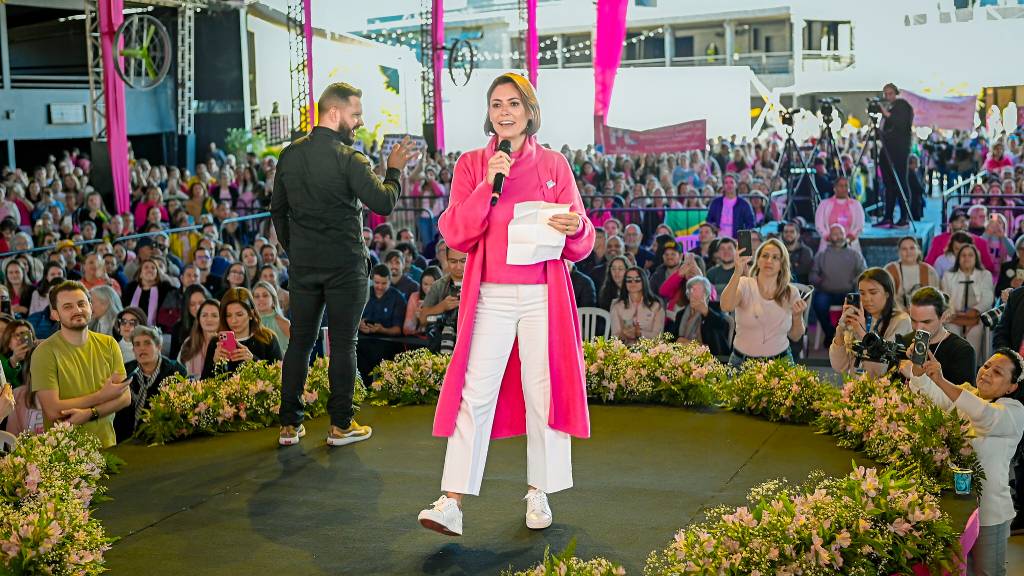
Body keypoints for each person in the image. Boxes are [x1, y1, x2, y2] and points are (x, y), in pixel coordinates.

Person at [417, 73, 594, 537]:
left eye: (513, 103)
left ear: (529, 111)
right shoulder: (474, 164)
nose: (504, 111)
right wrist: (488, 184)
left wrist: (574, 226)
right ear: (489, 113)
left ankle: (540, 492)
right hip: (490, 295)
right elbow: (456, 232)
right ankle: (451, 502)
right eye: (496, 104)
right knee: (474, 394)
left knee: (543, 392)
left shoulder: (555, 165)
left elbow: (583, 239)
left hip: (542, 294)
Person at [271, 82, 418, 448]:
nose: (359, 123)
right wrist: (395, 170)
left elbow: (277, 211)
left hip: (304, 268)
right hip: (345, 267)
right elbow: (383, 203)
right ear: (333, 114)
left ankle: (289, 425)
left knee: (300, 343)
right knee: (343, 343)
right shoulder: (350, 159)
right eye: (355, 116)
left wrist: (296, 250)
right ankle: (340, 426)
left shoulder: (289, 155)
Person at [898, 350, 1023, 576]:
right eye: (986, 366)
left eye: (997, 372)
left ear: (1011, 387)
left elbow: (983, 415)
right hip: (954, 509)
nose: (986, 373)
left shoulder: (1013, 412)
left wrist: (941, 380)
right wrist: (919, 369)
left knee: (987, 573)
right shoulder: (966, 392)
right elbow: (932, 396)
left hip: (988, 515)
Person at [30, 281, 131, 448]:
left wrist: (90, 413)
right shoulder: (44, 353)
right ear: (55, 314)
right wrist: (101, 396)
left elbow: (124, 397)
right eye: (68, 307)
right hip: (65, 456)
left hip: (108, 445)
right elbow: (53, 410)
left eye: (81, 304)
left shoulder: (109, 344)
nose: (77, 310)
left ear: (90, 306)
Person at [720, 238, 808, 366]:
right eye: (765, 256)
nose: (769, 261)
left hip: (781, 361)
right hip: (742, 362)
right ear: (758, 260)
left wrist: (797, 316)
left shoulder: (791, 292)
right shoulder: (745, 284)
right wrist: (737, 271)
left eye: (775, 257)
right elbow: (725, 306)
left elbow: (795, 336)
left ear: (782, 264)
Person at [829, 268, 912, 376]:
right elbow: (839, 367)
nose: (867, 298)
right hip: (855, 388)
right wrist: (840, 330)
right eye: (862, 293)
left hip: (886, 389)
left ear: (887, 293)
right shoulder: (857, 317)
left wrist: (862, 333)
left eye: (873, 292)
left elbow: (881, 370)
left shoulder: (901, 321)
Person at [114, 325, 186, 442]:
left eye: (147, 343)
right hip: (127, 437)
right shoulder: (126, 372)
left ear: (158, 347)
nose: (142, 348)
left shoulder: (175, 371)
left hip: (162, 437)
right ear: (133, 350)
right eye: (137, 344)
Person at [201, 287, 282, 379]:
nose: (234, 320)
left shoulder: (267, 338)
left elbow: (279, 378)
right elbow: (203, 383)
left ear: (251, 314)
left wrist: (253, 361)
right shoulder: (216, 342)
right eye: (228, 315)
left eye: (239, 314)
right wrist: (215, 362)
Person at [811, 224, 867, 346]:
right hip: (827, 291)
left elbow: (863, 272)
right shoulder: (821, 255)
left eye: (840, 233)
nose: (837, 236)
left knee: (857, 304)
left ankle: (851, 337)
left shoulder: (854, 254)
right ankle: (830, 333)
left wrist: (853, 281)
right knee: (818, 303)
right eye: (834, 234)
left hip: (848, 291)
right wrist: (819, 280)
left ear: (844, 235)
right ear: (829, 237)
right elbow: (813, 274)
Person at [908, 287, 976, 386]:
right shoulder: (905, 341)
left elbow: (963, 398)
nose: (918, 328)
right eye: (913, 320)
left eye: (926, 322)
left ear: (943, 317)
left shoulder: (962, 351)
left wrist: (915, 375)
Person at [942, 244, 994, 360]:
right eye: (963, 255)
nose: (966, 258)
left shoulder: (985, 275)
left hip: (976, 316)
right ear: (958, 258)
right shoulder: (948, 275)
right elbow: (945, 297)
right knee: (952, 334)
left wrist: (976, 310)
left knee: (975, 335)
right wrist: (952, 312)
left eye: (970, 255)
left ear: (976, 258)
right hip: (954, 316)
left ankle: (972, 368)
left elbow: (988, 297)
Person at [877, 83, 914, 228]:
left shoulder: (903, 106)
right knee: (888, 184)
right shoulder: (890, 108)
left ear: (896, 93)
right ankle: (888, 216)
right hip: (887, 149)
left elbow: (901, 123)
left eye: (890, 93)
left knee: (900, 181)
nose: (887, 97)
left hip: (898, 150)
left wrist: (885, 114)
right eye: (885, 94)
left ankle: (904, 216)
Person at [670, 275, 730, 356]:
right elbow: (674, 339)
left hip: (709, 356)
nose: (691, 292)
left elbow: (723, 326)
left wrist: (706, 311)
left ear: (705, 293)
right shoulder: (681, 314)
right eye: (690, 289)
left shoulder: (715, 308)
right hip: (683, 355)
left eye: (695, 289)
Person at [610, 267, 665, 344]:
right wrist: (623, 334)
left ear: (644, 281)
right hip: (625, 350)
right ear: (625, 283)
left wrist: (639, 333)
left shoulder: (656, 305)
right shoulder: (617, 306)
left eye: (637, 280)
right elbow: (614, 336)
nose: (633, 283)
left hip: (649, 350)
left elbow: (658, 336)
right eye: (629, 280)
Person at [885, 237, 940, 309]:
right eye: (904, 249)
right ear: (899, 252)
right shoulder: (890, 270)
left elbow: (935, 297)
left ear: (918, 250)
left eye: (912, 248)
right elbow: (887, 297)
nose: (908, 252)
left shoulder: (929, 271)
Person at [814, 176, 864, 253]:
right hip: (828, 245)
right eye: (841, 186)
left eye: (846, 186)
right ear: (834, 188)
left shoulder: (856, 205)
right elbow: (819, 225)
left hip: (850, 245)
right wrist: (829, 238)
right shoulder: (824, 204)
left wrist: (848, 239)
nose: (844, 188)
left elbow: (859, 225)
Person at [178, 299, 220, 380]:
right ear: (199, 319)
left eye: (214, 315)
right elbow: (178, 372)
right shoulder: (189, 342)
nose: (209, 319)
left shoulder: (227, 343)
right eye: (204, 315)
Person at [705, 174, 754, 240]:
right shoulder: (715, 203)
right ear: (723, 186)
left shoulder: (744, 204)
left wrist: (742, 237)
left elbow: (750, 223)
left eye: (731, 182)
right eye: (726, 183)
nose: (729, 185)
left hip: (737, 240)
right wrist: (714, 227)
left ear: (736, 185)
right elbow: (709, 220)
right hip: (718, 239)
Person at [403, 266, 443, 336]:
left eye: (432, 285)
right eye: (425, 284)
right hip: (418, 341)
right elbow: (406, 330)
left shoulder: (445, 298)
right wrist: (415, 317)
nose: (428, 288)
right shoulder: (415, 297)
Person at [253, 281, 290, 354]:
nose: (261, 299)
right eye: (257, 296)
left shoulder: (284, 323)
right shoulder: (248, 323)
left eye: (265, 295)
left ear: (273, 299)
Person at [0, 320, 34, 389]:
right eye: (17, 335)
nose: (21, 339)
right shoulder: (1, 359)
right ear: (8, 338)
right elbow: (4, 379)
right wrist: (14, 360)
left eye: (26, 335)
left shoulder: (36, 357)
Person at [781, 220, 814, 285]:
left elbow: (802, 272)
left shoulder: (806, 251)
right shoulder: (779, 250)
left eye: (792, 232)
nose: (788, 234)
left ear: (798, 235)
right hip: (781, 286)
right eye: (786, 232)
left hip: (800, 287)